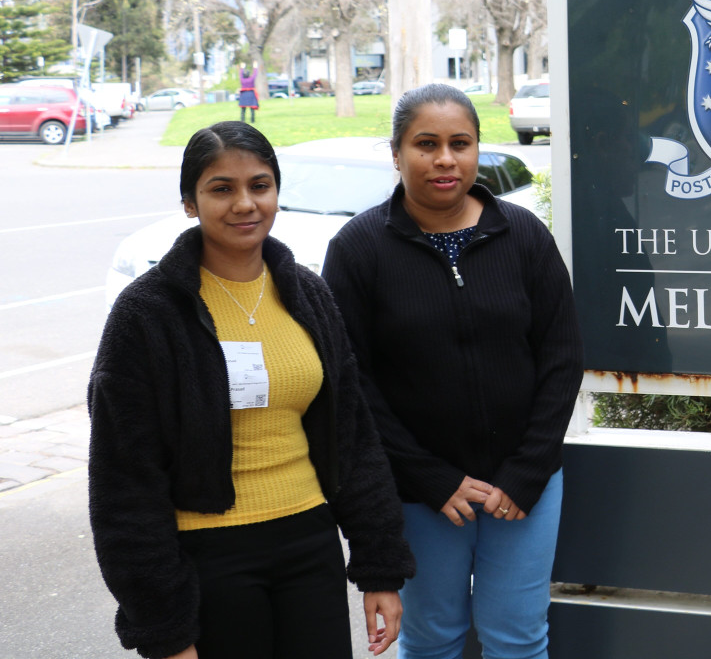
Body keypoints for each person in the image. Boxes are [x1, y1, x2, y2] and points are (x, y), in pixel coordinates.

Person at [88, 121, 414, 659]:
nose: (245, 203)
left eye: (259, 186)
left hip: (310, 543)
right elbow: (124, 483)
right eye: (222, 188)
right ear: (190, 203)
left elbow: (352, 436)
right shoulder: (147, 314)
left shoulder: (307, 293)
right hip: (208, 556)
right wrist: (164, 626)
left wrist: (381, 567)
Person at [322, 83, 584, 659]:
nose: (445, 159)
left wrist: (529, 468)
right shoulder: (358, 249)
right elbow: (352, 383)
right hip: (421, 495)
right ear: (396, 153)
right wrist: (429, 478)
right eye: (426, 144)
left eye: (460, 144)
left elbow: (562, 357)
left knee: (517, 637)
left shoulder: (523, 236)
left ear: (477, 151)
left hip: (523, 489)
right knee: (432, 638)